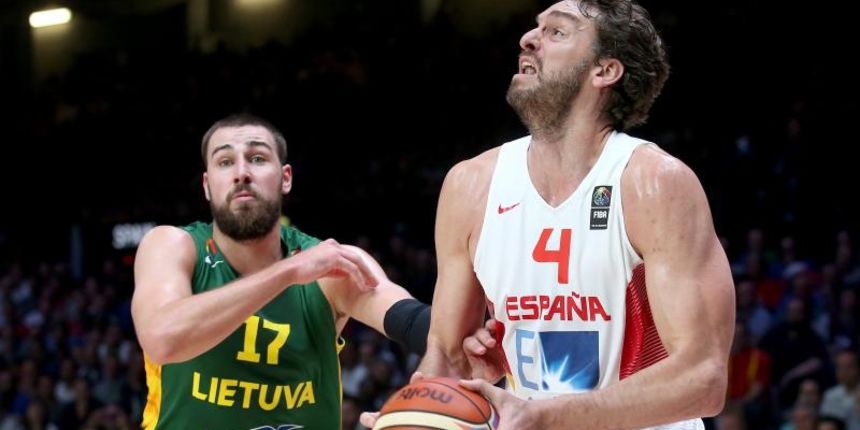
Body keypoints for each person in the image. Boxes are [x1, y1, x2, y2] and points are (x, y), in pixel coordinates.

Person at [365, 1, 735, 429]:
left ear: (604, 71)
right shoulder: (470, 186)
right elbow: (447, 358)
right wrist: (413, 417)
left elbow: (704, 378)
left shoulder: (653, 183)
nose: (528, 38)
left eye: (557, 32)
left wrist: (542, 416)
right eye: (535, 28)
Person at [131, 114, 431, 429]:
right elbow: (162, 339)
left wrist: (469, 345)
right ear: (207, 186)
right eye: (224, 162)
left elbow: (413, 322)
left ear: (285, 178)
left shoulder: (329, 262)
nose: (241, 173)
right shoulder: (173, 245)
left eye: (257, 158)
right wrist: (287, 272)